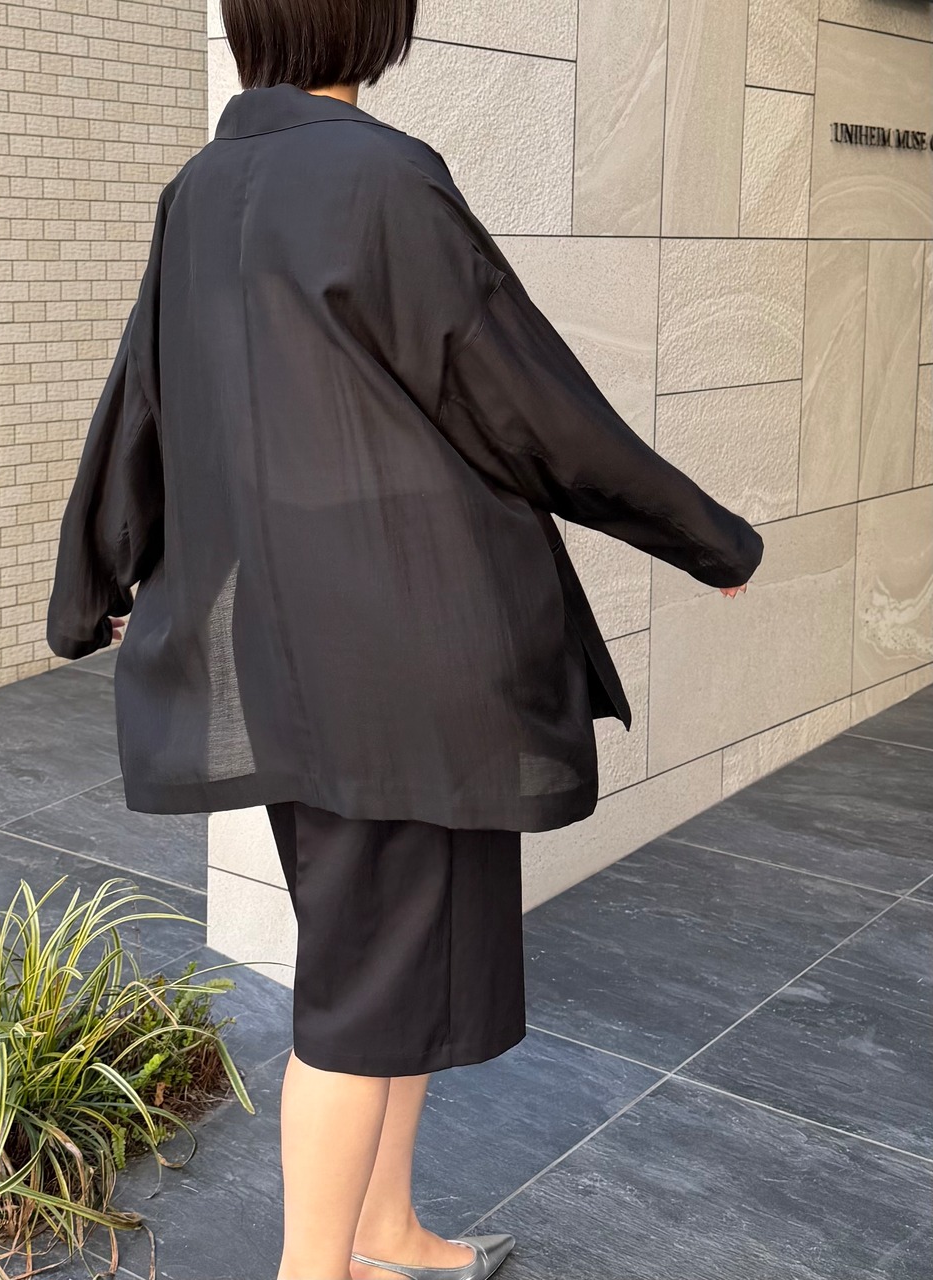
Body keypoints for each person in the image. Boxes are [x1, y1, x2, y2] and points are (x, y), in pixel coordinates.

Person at [46, 1, 763, 1277]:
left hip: (281, 656)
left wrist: (94, 578)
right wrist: (704, 536)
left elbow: (141, 397)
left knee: (387, 962)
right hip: (410, 649)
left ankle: (385, 1234)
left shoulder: (197, 188)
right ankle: (317, 1267)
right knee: (362, 987)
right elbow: (525, 400)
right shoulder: (383, 176)